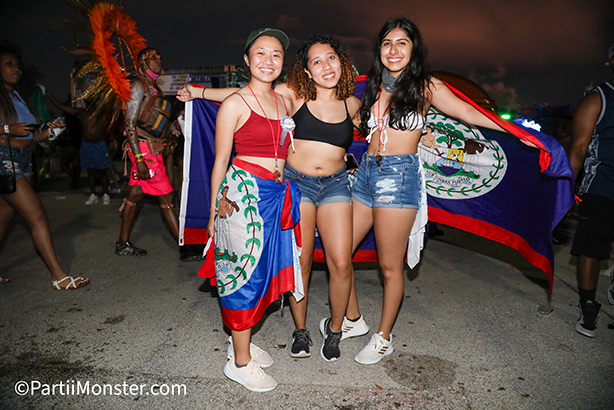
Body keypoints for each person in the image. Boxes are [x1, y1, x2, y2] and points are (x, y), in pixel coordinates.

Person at [178, 35, 369, 362]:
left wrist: (420, 133)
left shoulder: (352, 104)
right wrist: (199, 92)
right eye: (316, 61)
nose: (325, 66)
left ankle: (336, 329)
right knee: (302, 261)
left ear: (342, 62)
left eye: (331, 58)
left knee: (340, 262)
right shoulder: (292, 95)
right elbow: (246, 95)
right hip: (297, 185)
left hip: (336, 185)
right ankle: (300, 329)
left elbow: (380, 128)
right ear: (306, 71)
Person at [347, 18, 519, 364]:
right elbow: (359, 124)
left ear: (414, 49)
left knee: (389, 265)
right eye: (387, 43)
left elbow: (467, 112)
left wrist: (516, 132)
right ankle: (353, 319)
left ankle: (384, 337)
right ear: (379, 50)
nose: (393, 50)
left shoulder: (426, 85)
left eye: (402, 43)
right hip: (366, 173)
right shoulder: (373, 86)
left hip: (399, 177)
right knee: (340, 253)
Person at [206, 28, 301, 392]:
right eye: (260, 53)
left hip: (276, 196)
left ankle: (238, 342)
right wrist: (213, 212)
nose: (268, 60)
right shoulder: (234, 104)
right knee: (242, 273)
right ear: (246, 60)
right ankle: (240, 363)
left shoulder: (283, 102)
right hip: (243, 196)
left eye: (276, 54)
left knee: (265, 271)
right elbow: (220, 161)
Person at [0, 45, 89, 290]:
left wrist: (52, 131)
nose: (16, 68)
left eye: (18, 65)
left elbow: (33, 137)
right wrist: (7, 129)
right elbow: (12, 131)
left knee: (4, 218)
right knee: (37, 215)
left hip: (24, 158)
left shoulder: (18, 97)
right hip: (4, 160)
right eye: (9, 64)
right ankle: (59, 277)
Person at [115, 47, 181, 258]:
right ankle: (184, 247)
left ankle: (122, 244)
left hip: (152, 149)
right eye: (153, 56)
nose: (158, 59)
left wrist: (171, 128)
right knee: (167, 195)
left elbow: (152, 119)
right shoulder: (137, 84)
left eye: (160, 55)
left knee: (135, 194)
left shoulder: (154, 87)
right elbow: (130, 123)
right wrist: (139, 159)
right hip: (143, 150)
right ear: (142, 62)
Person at [568, 43, 614, 338]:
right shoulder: (598, 98)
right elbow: (578, 148)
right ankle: (588, 306)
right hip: (601, 185)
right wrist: (564, 189)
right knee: (591, 247)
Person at [46, 92, 111, 205]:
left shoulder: (101, 111)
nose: (89, 99)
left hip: (98, 143)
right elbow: (63, 107)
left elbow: (112, 102)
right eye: (88, 98)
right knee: (90, 171)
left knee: (102, 170)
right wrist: (48, 95)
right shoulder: (82, 112)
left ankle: (106, 194)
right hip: (86, 144)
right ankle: (93, 194)